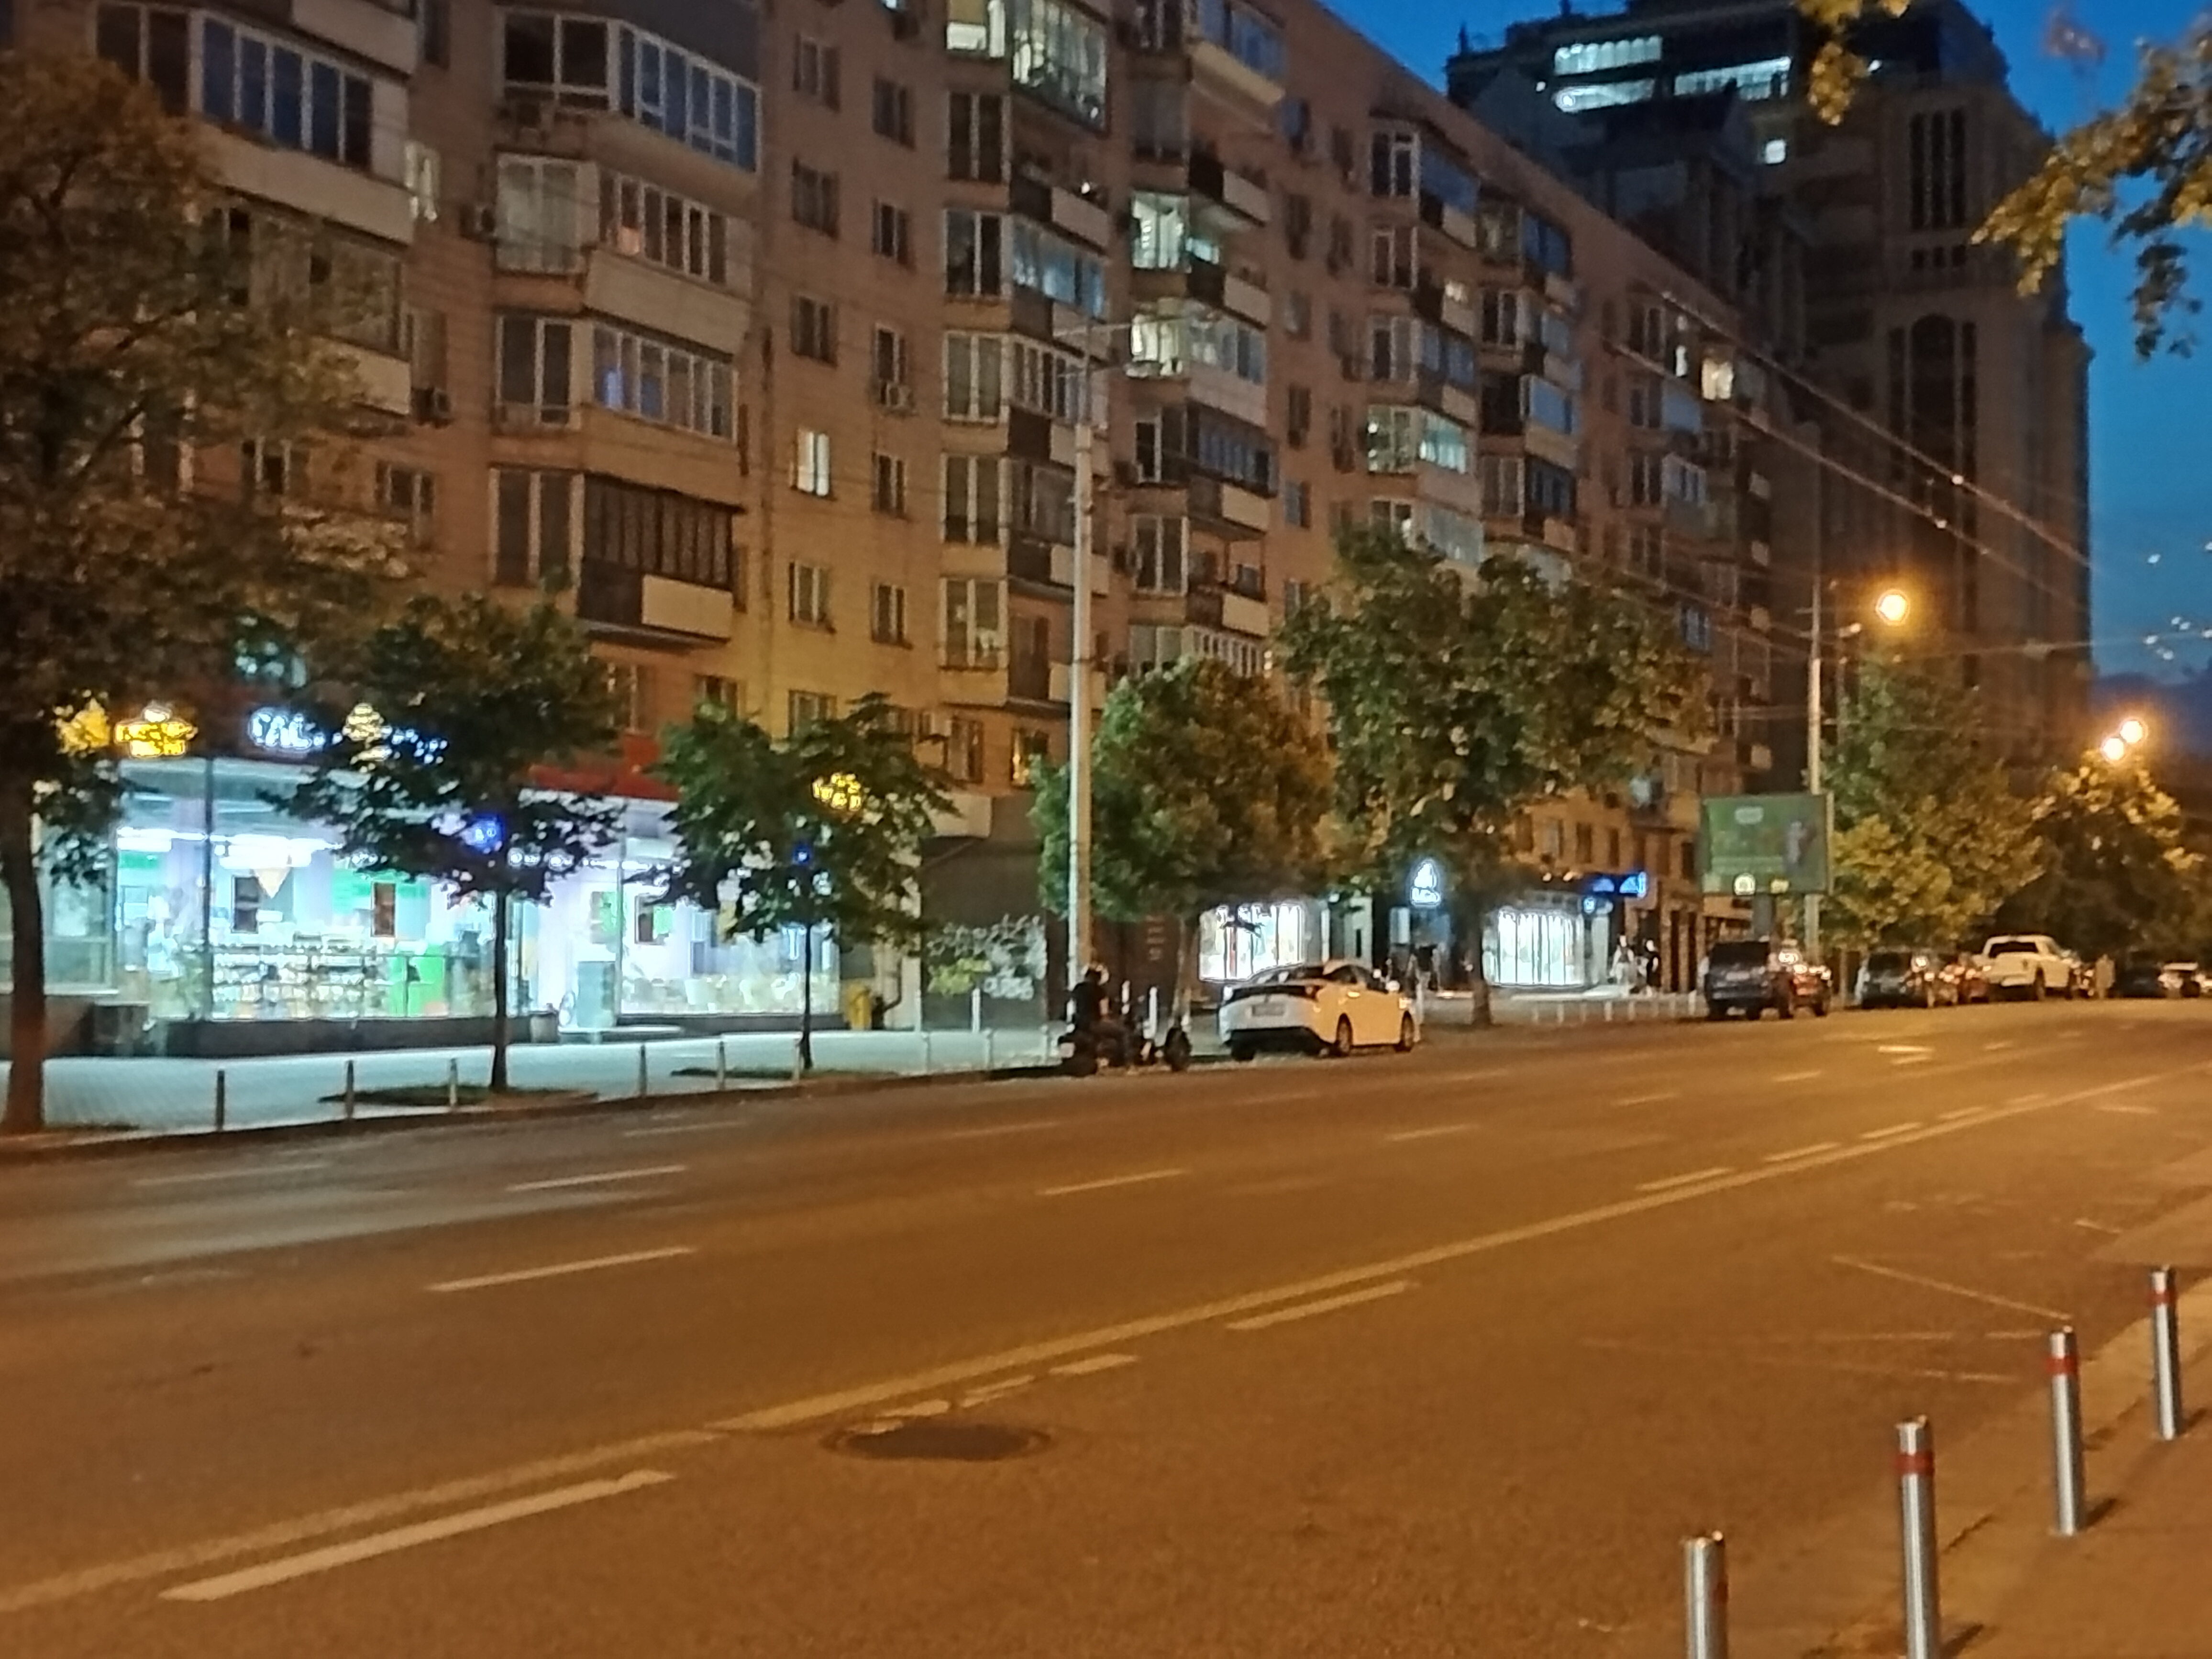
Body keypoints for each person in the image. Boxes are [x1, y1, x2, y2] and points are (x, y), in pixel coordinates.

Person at [1069, 965, 1125, 1060]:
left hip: (1080, 1024)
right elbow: (1104, 1013)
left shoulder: (1078, 988)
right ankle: (1124, 1061)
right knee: (1123, 1033)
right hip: (1095, 1023)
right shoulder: (1100, 990)